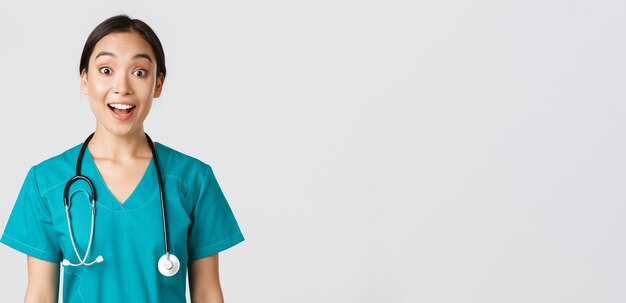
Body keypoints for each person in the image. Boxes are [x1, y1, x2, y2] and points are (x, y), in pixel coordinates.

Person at [0, 15, 245, 303]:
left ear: (158, 84)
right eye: (106, 70)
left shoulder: (193, 180)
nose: (122, 87)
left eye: (139, 72)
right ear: (85, 80)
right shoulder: (47, 182)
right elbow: (40, 295)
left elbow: (207, 293)